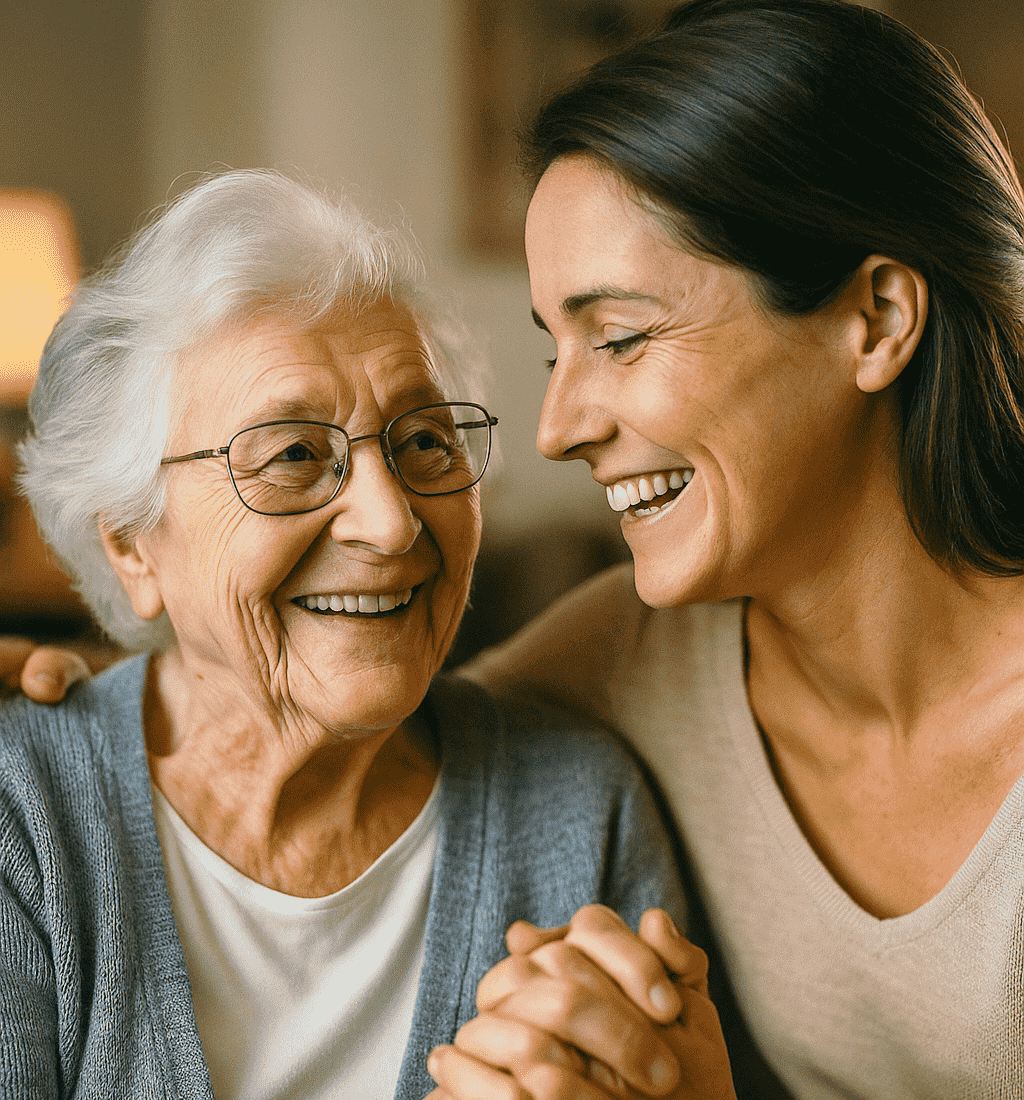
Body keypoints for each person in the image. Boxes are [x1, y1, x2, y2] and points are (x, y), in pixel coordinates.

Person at [11, 0, 1024, 1094]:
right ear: (130, 547)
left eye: (624, 336)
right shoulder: (616, 664)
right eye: (294, 454)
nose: (556, 429)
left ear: (873, 319)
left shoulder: (582, 790)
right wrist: (105, 707)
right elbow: (308, 698)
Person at [0, 168, 707, 1100]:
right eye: (294, 455)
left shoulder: (576, 814)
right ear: (133, 546)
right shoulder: (23, 816)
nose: (391, 523)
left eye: (424, 442)